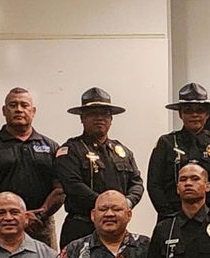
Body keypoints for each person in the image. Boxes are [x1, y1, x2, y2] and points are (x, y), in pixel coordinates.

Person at [0, 86, 63, 245]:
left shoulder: (52, 147)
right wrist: (11, 213)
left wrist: (39, 216)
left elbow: (60, 190)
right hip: (1, 222)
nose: (19, 110)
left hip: (40, 224)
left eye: (24, 105)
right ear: (4, 110)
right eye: (13, 105)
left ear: (33, 111)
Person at [53, 88, 144, 246]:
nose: (99, 118)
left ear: (111, 119)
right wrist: (106, 207)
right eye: (93, 114)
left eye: (104, 114)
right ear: (82, 118)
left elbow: (137, 183)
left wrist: (126, 204)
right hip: (81, 227)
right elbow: (73, 185)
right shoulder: (70, 150)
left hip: (116, 228)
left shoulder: (122, 151)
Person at [146, 83, 210, 217]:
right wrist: (170, 215)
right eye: (188, 110)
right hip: (172, 216)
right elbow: (154, 184)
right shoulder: (166, 143)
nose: (194, 114)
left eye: (199, 110)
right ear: (180, 114)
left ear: (207, 114)